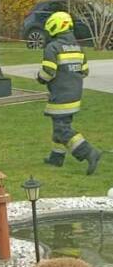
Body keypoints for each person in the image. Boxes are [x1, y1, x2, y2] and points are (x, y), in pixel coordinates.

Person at [38, 11, 101, 174]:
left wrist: (40, 78)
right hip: (75, 95)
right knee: (60, 125)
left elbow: (48, 72)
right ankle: (56, 158)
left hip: (61, 95)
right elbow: (85, 71)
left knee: (62, 130)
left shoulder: (53, 47)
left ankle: (89, 152)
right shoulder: (78, 48)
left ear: (55, 27)